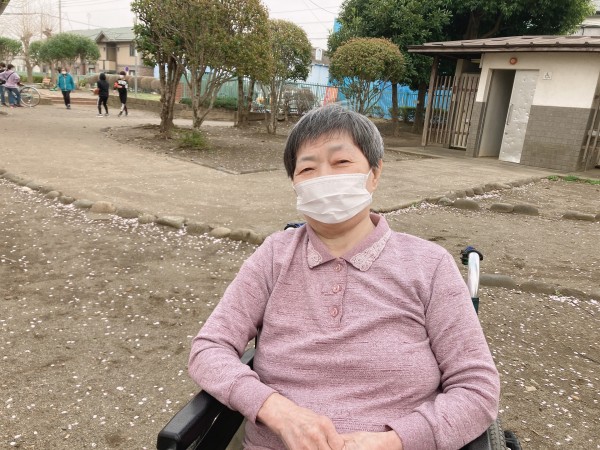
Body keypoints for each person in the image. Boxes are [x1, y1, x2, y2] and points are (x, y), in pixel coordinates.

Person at [188, 104, 501, 450]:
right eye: (308, 168)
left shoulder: (429, 265)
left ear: (375, 173)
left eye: (341, 162)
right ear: (295, 183)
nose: (324, 178)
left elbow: (477, 388)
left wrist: (396, 441)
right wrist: (276, 411)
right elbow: (209, 349)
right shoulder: (275, 256)